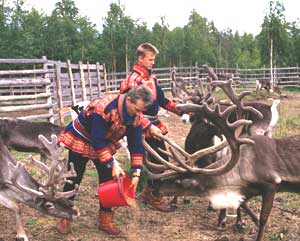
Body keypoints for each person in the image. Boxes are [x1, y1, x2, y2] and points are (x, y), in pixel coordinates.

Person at [56, 85, 160, 235]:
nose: (139, 114)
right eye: (137, 109)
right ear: (129, 100)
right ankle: (63, 215)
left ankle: (105, 219)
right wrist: (113, 163)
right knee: (74, 176)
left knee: (108, 180)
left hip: (104, 139)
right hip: (83, 136)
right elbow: (97, 140)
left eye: (141, 111)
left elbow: (136, 144)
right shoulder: (104, 108)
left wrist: (136, 171)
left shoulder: (135, 116)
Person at [120, 42, 183, 212]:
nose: (153, 62)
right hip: (139, 125)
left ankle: (148, 191)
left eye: (154, 59)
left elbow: (162, 100)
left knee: (158, 160)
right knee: (159, 162)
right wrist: (147, 127)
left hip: (153, 124)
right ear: (140, 59)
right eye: (150, 59)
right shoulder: (133, 81)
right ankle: (155, 197)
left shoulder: (151, 79)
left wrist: (182, 111)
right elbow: (130, 109)